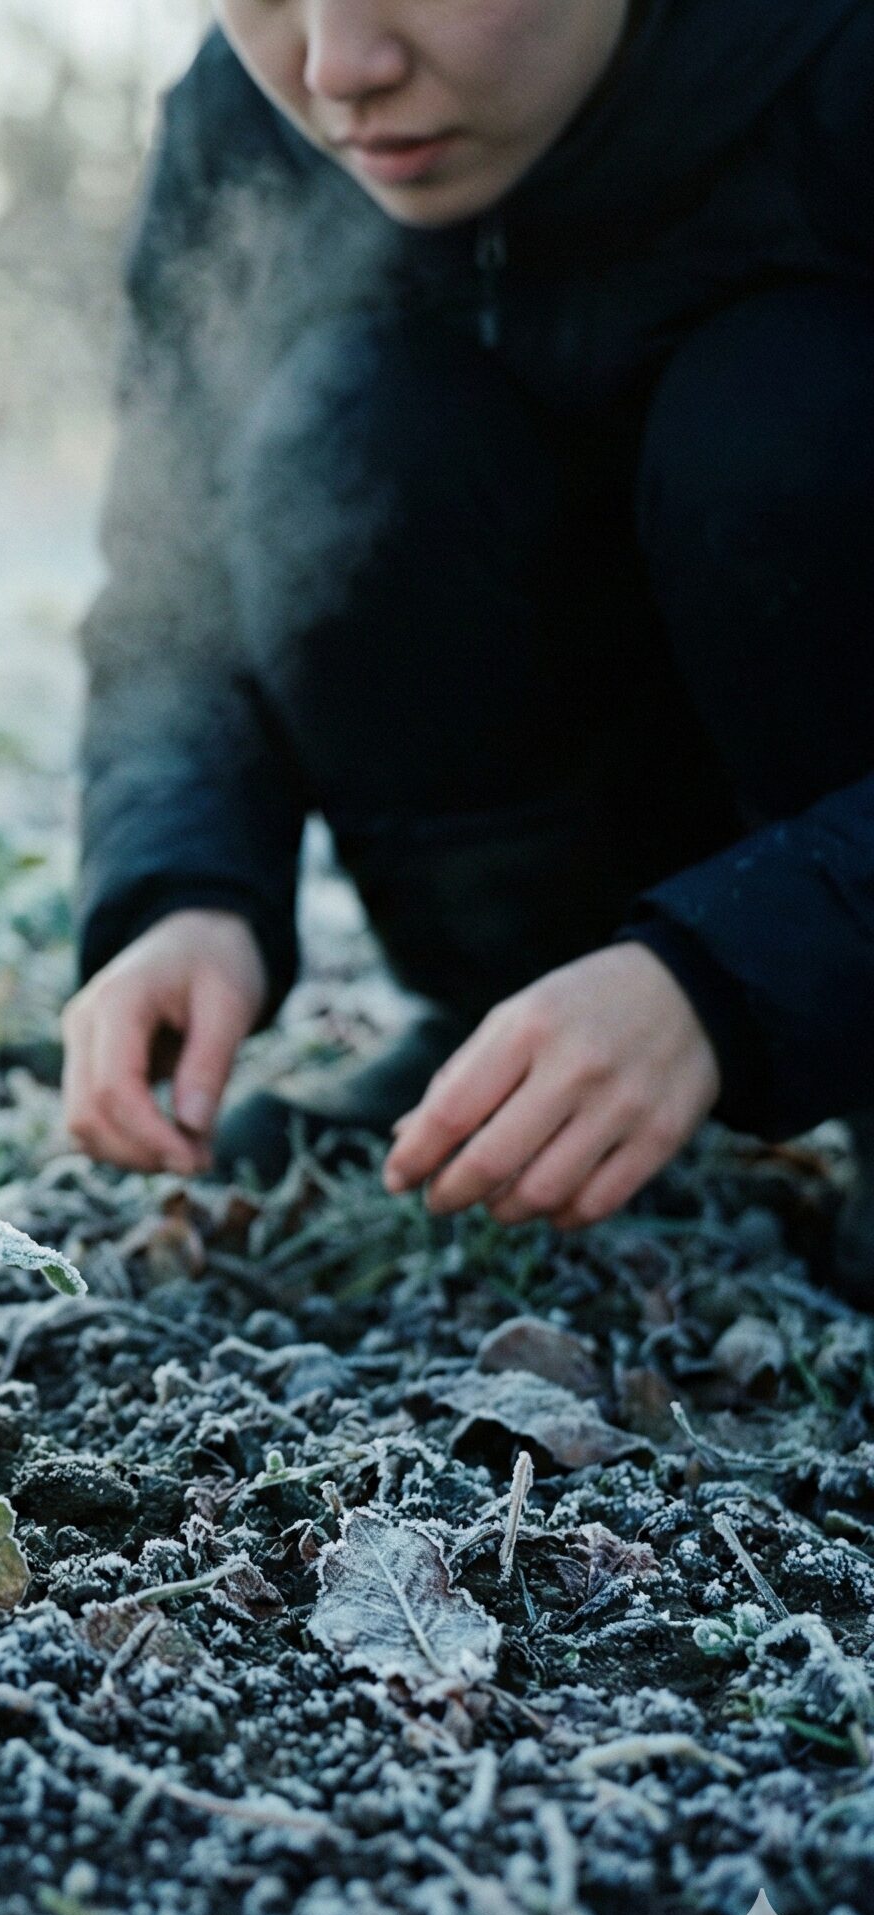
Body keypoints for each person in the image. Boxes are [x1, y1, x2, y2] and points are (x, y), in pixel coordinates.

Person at [60, 0, 874, 1284]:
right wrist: (181, 888)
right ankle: (505, 1039)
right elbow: (171, 584)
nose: (336, 70)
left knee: (777, 422)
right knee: (344, 434)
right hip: (572, 818)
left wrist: (731, 969)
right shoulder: (240, 132)